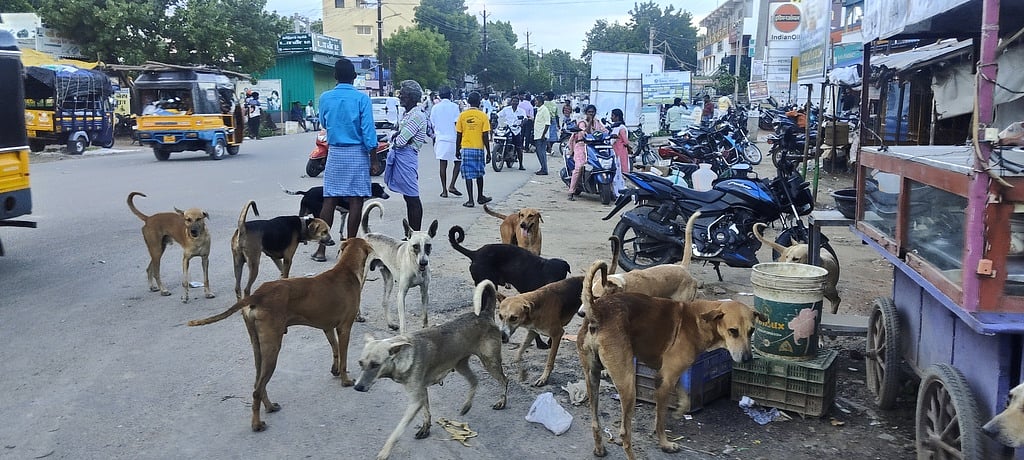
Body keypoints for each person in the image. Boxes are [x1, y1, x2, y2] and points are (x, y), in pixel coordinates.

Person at [310, 58, 377, 263]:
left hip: (336, 152)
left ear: (335, 76)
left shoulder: (326, 98)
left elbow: (324, 122)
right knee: (356, 200)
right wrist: (373, 159)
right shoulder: (361, 99)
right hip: (357, 153)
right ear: (354, 77)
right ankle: (349, 249)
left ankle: (321, 249)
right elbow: (368, 132)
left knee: (330, 199)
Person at [384, 80, 429, 231]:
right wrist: (396, 136)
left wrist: (394, 136)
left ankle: (415, 233)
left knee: (412, 197)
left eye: (402, 94)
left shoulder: (416, 116)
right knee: (408, 197)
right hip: (403, 156)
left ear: (410, 97)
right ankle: (412, 233)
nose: (400, 97)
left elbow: (401, 140)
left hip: (407, 157)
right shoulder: (407, 114)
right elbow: (400, 137)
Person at [455, 91, 492, 208]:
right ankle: (480, 196)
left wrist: (457, 149)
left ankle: (470, 200)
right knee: (479, 173)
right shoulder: (483, 116)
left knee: (468, 175)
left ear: (469, 102)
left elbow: (459, 134)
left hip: (466, 147)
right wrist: (488, 152)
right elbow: (485, 135)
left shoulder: (462, 116)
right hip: (478, 148)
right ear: (479, 102)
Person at [430, 87, 462, 198]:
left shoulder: (435, 108)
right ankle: (452, 185)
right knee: (458, 162)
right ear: (450, 95)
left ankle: (444, 190)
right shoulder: (454, 107)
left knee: (442, 165)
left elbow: (432, 123)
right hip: (453, 138)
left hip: (441, 139)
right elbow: (457, 123)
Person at [568, 104, 605, 201]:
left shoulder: (597, 122)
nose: (591, 114)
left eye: (593, 112)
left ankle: (612, 191)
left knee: (604, 165)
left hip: (594, 147)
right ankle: (571, 192)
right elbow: (586, 132)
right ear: (586, 113)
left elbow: (604, 131)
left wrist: (610, 133)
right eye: (589, 112)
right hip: (581, 146)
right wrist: (590, 122)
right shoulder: (582, 123)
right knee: (579, 167)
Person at [496, 95, 526, 165]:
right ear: (511, 102)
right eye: (513, 101)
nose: (515, 103)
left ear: (518, 103)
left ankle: (521, 164)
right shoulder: (506, 109)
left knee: (518, 147)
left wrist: (522, 123)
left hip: (516, 130)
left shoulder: (521, 111)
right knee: (498, 138)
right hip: (506, 129)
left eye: (516, 101)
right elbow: (499, 115)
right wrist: (494, 116)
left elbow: (525, 118)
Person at [608, 108, 631, 196]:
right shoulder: (616, 127)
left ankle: (619, 192)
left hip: (620, 153)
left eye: (612, 116)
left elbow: (625, 141)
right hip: (616, 152)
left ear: (617, 117)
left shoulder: (621, 128)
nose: (611, 118)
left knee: (619, 173)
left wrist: (616, 137)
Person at [532, 95, 551, 175]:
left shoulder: (545, 110)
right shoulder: (539, 110)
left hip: (541, 135)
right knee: (539, 152)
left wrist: (543, 135)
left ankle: (544, 169)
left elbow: (547, 123)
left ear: (540, 101)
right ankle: (543, 168)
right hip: (538, 134)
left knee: (541, 153)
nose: (535, 102)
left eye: (536, 100)